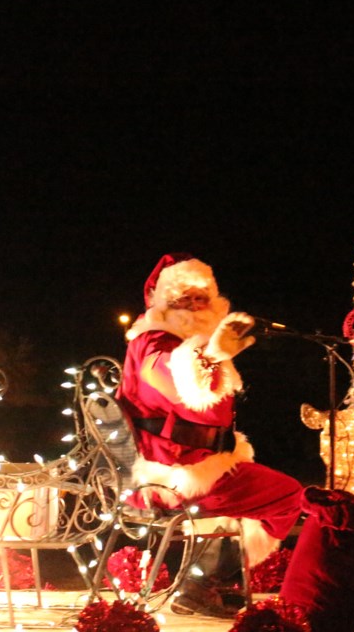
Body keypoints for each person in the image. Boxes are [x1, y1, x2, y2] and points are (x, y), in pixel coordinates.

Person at [116, 253, 305, 618]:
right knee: (289, 496)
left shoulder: (181, 342)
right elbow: (175, 383)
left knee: (249, 495)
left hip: (196, 465)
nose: (195, 304)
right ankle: (203, 584)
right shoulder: (155, 343)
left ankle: (206, 583)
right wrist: (211, 358)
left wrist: (212, 354)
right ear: (165, 303)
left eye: (201, 297)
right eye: (184, 297)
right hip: (174, 476)